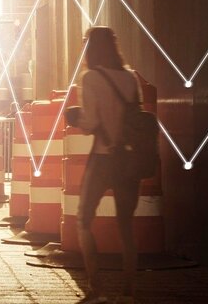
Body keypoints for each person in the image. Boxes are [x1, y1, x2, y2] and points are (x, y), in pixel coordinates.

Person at [65, 26, 142, 302]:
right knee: (126, 225)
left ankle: (97, 288)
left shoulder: (90, 78)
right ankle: (129, 291)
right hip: (129, 159)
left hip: (102, 158)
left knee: (84, 220)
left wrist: (74, 118)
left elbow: (91, 124)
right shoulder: (131, 78)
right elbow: (136, 117)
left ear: (91, 48)